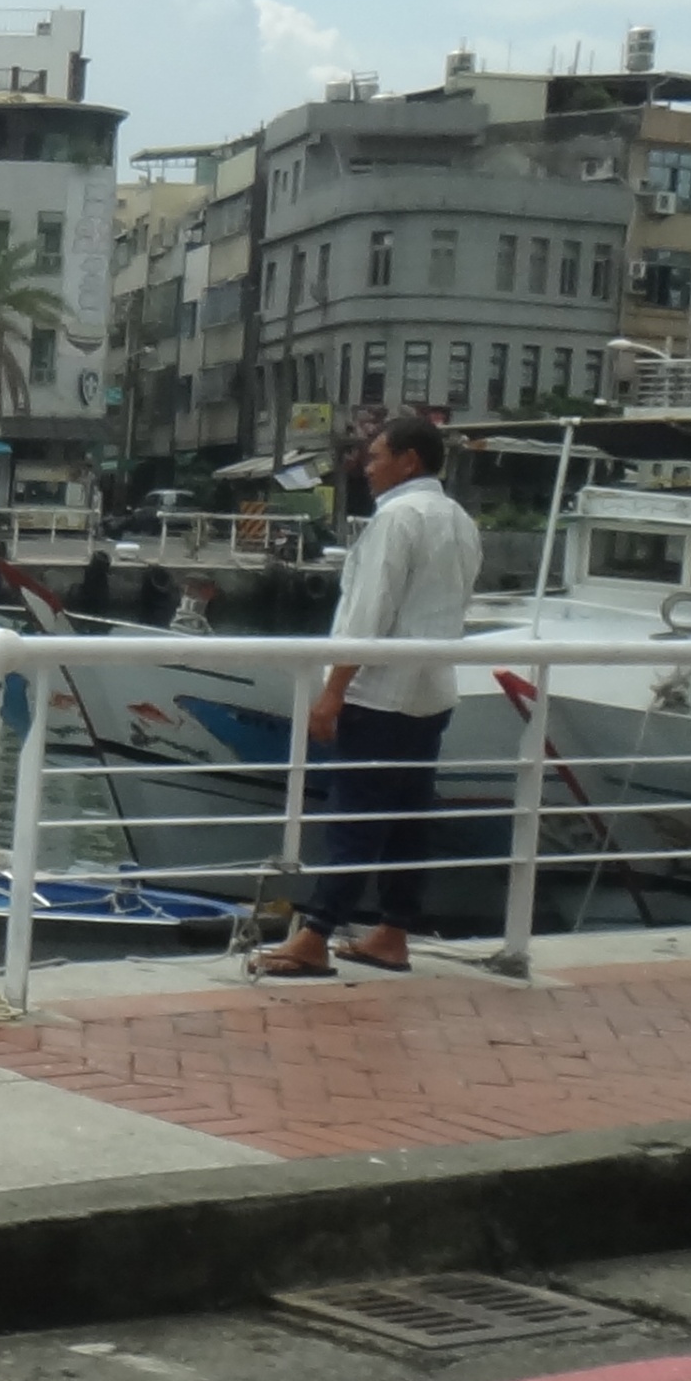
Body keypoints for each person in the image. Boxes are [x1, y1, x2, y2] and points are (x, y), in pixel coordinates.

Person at [258, 411, 480, 978]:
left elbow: (366, 615)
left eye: (377, 456)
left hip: (379, 693)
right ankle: (392, 930)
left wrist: (334, 690)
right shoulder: (459, 520)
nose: (367, 467)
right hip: (431, 691)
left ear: (409, 460)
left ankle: (315, 934)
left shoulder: (396, 520)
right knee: (408, 817)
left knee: (354, 817)